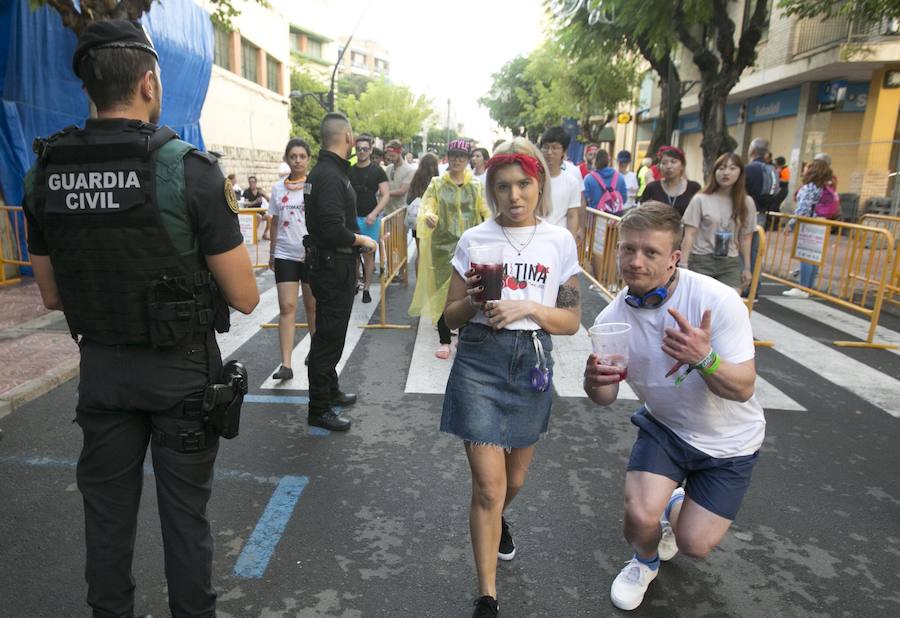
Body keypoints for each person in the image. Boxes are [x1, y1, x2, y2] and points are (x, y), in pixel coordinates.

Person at [23, 20, 259, 616]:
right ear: (150, 83)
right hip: (180, 375)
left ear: (89, 89)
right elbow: (247, 298)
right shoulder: (188, 169)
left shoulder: (46, 172)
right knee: (185, 520)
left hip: (101, 370)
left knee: (105, 520)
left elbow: (51, 296)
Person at [584, 201, 764, 612]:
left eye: (650, 252)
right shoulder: (614, 317)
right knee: (640, 515)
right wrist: (593, 382)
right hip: (666, 428)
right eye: (628, 249)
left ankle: (674, 501)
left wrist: (706, 358)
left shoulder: (715, 300)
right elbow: (604, 398)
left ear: (675, 258)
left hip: (730, 442)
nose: (636, 261)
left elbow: (743, 389)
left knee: (694, 545)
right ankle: (643, 562)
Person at [441, 138, 582, 618]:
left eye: (524, 184)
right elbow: (451, 317)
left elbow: (571, 320)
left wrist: (531, 307)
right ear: (491, 190)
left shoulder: (559, 241)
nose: (515, 196)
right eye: (503, 187)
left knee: (514, 479)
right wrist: (474, 302)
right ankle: (487, 595)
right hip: (479, 361)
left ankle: (498, 519)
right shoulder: (474, 240)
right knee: (487, 486)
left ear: (539, 183)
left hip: (532, 364)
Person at [304, 112, 378, 431]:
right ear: (347, 137)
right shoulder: (331, 176)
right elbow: (333, 229)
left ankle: (330, 392)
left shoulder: (325, 172)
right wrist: (363, 240)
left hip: (332, 264)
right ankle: (319, 407)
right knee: (328, 339)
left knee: (331, 334)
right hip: (333, 265)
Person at [409, 139, 490, 360]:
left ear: (467, 160)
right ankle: (444, 341)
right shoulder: (437, 184)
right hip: (442, 248)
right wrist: (429, 217)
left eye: (461, 157)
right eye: (453, 156)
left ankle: (463, 339)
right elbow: (427, 206)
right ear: (448, 157)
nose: (457, 160)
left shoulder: (475, 186)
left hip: (468, 249)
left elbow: (485, 211)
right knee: (442, 296)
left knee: (466, 294)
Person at [269, 138, 317, 379]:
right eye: (293, 156)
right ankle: (286, 364)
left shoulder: (314, 185)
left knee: (312, 306)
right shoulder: (277, 188)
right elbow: (275, 220)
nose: (297, 160)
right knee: (286, 307)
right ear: (287, 159)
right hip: (285, 253)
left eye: (302, 156)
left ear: (308, 159)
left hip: (310, 254)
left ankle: (315, 349)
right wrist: (271, 252)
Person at [681, 153, 756, 293]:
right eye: (721, 168)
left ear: (740, 172)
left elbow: (746, 237)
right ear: (714, 172)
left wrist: (747, 268)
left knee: (730, 303)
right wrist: (683, 264)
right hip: (701, 260)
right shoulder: (700, 199)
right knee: (701, 304)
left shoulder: (747, 202)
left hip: (730, 261)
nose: (726, 172)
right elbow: (689, 234)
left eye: (732, 168)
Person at [782, 159, 835, 298]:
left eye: (807, 167)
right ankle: (808, 287)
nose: (804, 169)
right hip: (821, 223)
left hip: (808, 224)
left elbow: (802, 209)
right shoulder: (826, 187)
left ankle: (802, 288)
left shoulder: (809, 187)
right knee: (814, 256)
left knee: (805, 255)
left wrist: (790, 224)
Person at [348, 134, 390, 304]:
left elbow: (386, 194)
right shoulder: (349, 170)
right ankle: (355, 283)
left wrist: (374, 214)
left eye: (365, 149)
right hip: (351, 219)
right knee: (352, 255)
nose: (362, 152)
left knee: (369, 255)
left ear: (371, 150)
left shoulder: (377, 170)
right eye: (358, 149)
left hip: (370, 219)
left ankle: (366, 288)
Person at [539, 126, 583, 238]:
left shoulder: (572, 182)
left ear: (564, 151)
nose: (549, 152)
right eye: (545, 147)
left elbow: (572, 215)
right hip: (535, 238)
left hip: (558, 240)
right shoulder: (532, 179)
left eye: (554, 148)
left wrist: (571, 242)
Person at [639, 146, 701, 217]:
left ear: (682, 166)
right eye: (664, 163)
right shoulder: (652, 187)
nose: (668, 166)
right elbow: (642, 214)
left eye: (673, 162)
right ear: (659, 167)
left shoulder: (693, 187)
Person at [405, 152, 440, 274]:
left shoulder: (416, 178)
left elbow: (409, 199)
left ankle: (419, 282)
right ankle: (430, 282)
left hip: (417, 220)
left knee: (420, 253)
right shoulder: (437, 180)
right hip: (431, 220)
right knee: (431, 254)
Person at [384, 139, 415, 215]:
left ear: (400, 152)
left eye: (393, 156)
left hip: (400, 214)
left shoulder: (409, 170)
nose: (390, 158)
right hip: (386, 212)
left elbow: (402, 191)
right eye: (389, 156)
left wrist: (384, 193)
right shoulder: (388, 168)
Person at [242, 175, 271, 240]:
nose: (251, 183)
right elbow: (245, 205)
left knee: (269, 217)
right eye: (250, 182)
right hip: (250, 212)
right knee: (259, 217)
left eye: (253, 182)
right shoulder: (246, 192)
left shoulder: (259, 190)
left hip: (260, 211)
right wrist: (255, 202)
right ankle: (254, 235)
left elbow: (269, 200)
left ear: (256, 182)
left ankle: (265, 234)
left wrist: (264, 195)